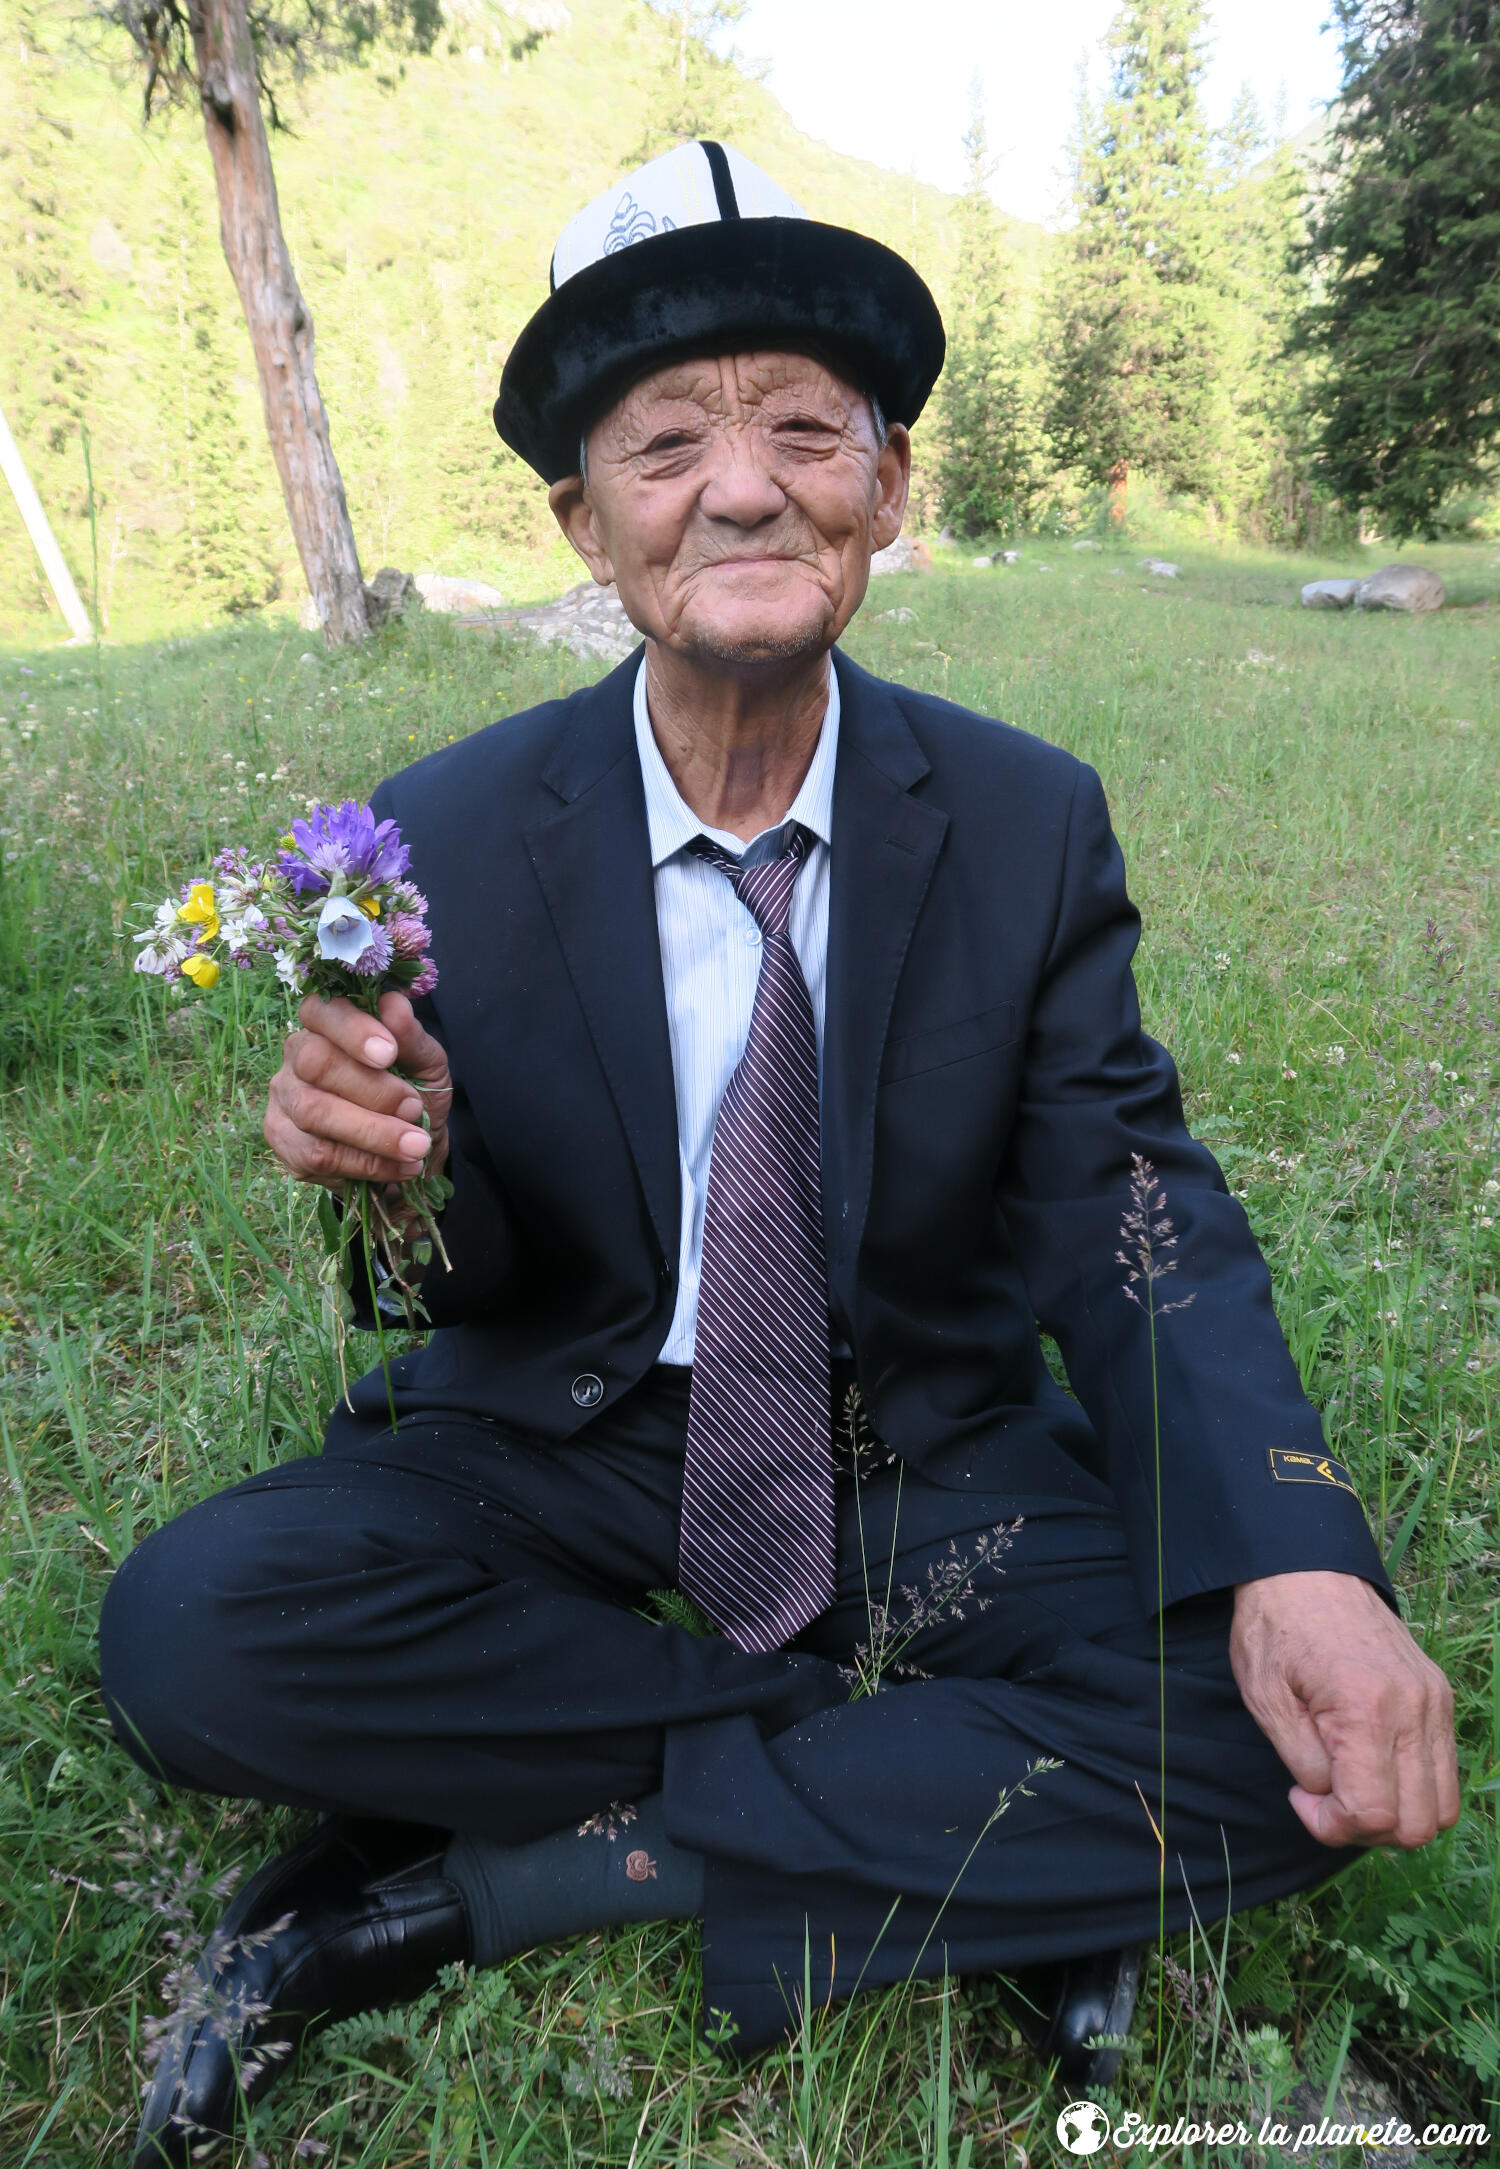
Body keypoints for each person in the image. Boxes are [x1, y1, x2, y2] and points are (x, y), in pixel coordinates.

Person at [101, 142, 1459, 2167]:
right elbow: (443, 1281)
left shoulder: (1018, 818)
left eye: (806, 431)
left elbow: (1123, 1196)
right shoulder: (438, 828)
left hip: (921, 1452)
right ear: (584, 521)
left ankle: (458, 1884)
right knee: (194, 1630)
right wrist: (384, 1169)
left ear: (887, 491)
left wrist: (1298, 1548)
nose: (744, 487)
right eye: (666, 445)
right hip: (563, 1439)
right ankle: (955, 1814)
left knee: (1297, 1740)